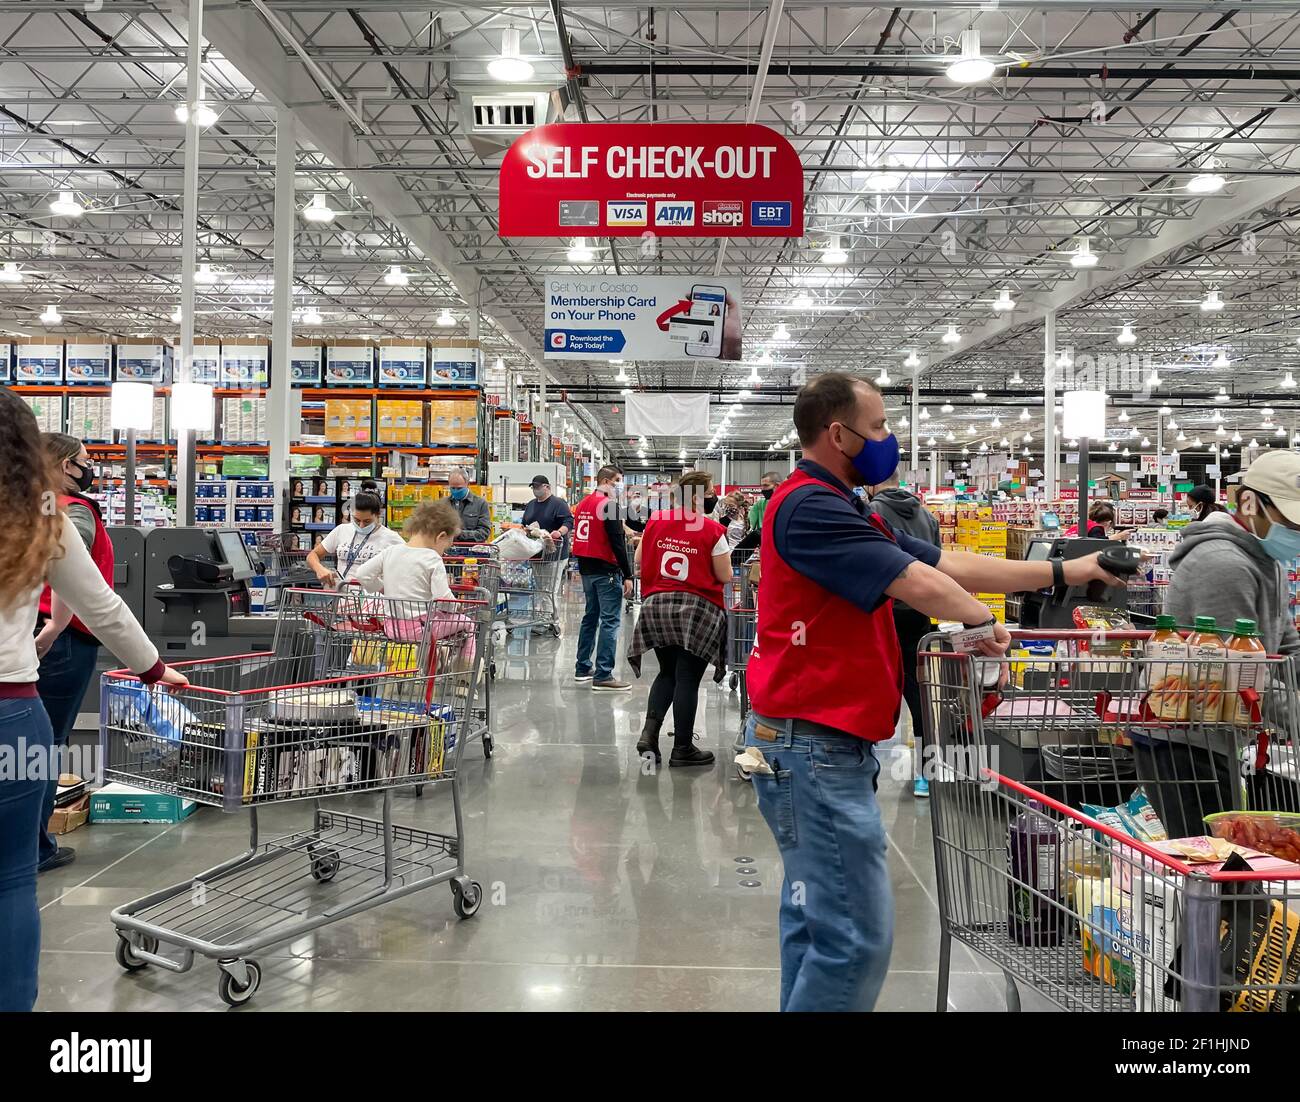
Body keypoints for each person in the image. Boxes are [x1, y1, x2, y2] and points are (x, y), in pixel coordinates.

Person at [741, 371, 1121, 1013]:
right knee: (856, 939)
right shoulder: (811, 504)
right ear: (840, 433)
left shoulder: (846, 503)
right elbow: (920, 583)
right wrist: (981, 622)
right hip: (811, 746)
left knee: (817, 924)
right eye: (881, 424)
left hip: (820, 743)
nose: (889, 438)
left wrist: (1066, 568)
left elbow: (949, 563)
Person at [0, 389, 187, 1012]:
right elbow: (102, 603)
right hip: (11, 716)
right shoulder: (44, 512)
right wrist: (154, 668)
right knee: (10, 883)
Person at [1154, 451, 1300, 834]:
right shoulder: (1224, 564)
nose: (1296, 532)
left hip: (1221, 734)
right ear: (1249, 502)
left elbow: (1286, 647)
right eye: (1289, 519)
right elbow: (1237, 678)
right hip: (1186, 737)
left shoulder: (1268, 558)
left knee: (1228, 871)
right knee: (1218, 870)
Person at [30, 434, 111, 872]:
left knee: (23, 744)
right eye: (85, 460)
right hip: (58, 639)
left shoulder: (28, 506)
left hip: (27, 629)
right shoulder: (74, 510)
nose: (91, 465)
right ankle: (36, 849)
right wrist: (56, 625)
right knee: (44, 746)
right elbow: (65, 564)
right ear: (64, 466)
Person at [627, 471, 731, 768]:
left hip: (656, 606)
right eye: (710, 492)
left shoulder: (656, 521)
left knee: (667, 673)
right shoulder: (712, 530)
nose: (713, 497)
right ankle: (682, 748)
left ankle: (649, 734)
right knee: (688, 678)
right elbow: (724, 575)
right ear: (697, 497)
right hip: (696, 610)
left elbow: (638, 560)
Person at [868, 470, 941, 799]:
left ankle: (863, 768)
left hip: (882, 612)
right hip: (919, 612)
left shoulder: (871, 512)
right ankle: (926, 774)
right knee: (920, 695)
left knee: (869, 691)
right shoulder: (927, 516)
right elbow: (936, 565)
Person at [571, 465, 634, 691]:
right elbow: (618, 544)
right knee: (610, 621)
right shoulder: (610, 506)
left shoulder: (583, 504)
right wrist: (628, 574)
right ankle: (603, 674)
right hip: (606, 569)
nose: (620, 486)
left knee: (591, 617)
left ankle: (582, 667)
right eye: (618, 480)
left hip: (586, 568)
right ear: (606, 481)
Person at [351, 499, 460, 602]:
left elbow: (362, 574)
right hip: (422, 620)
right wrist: (456, 607)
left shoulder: (390, 551)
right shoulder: (432, 558)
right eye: (445, 547)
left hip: (391, 620)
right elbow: (443, 599)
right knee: (465, 622)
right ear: (441, 536)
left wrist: (383, 588)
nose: (443, 553)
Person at [307, 485, 402, 586]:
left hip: (373, 599)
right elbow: (312, 555)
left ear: (378, 514)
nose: (361, 525)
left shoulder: (391, 538)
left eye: (367, 521)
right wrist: (319, 569)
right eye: (356, 520)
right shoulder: (342, 530)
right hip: (342, 595)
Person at [521, 475, 573, 555]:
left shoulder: (559, 504)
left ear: (547, 487)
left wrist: (559, 532)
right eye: (533, 487)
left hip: (554, 554)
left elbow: (568, 522)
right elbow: (524, 524)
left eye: (537, 487)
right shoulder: (530, 504)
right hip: (534, 553)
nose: (535, 490)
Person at [447, 467, 491, 543]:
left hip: (472, 551)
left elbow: (484, 533)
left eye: (459, 488)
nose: (455, 491)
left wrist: (460, 534)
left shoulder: (480, 504)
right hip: (447, 551)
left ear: (467, 484)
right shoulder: (443, 504)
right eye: (452, 488)